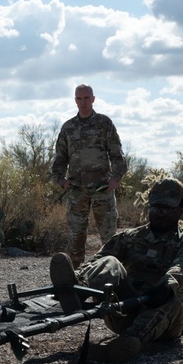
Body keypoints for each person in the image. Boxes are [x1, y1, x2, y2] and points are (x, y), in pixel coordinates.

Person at [49, 178, 183, 363]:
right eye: (155, 207)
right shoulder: (128, 237)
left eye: (166, 208)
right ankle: (75, 288)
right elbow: (99, 261)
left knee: (173, 302)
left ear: (180, 209)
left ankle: (125, 344)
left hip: (163, 320)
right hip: (124, 309)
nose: (159, 213)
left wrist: (168, 286)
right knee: (109, 261)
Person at [51, 84, 127, 267]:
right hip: (77, 191)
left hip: (103, 189)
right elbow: (59, 159)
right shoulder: (68, 127)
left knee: (109, 239)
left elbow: (117, 154)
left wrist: (116, 178)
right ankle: (76, 280)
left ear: (93, 99)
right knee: (76, 238)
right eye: (79, 98)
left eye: (86, 98)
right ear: (75, 100)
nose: (83, 102)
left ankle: (113, 276)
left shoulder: (104, 123)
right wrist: (62, 181)